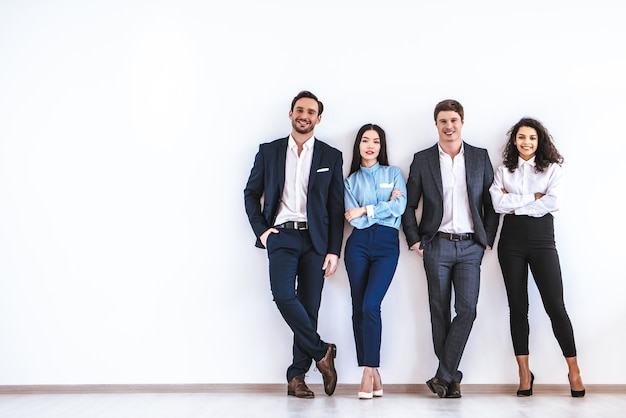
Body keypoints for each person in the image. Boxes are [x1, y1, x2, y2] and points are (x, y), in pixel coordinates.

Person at [244, 90, 344, 398]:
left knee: (309, 306)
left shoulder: (331, 156)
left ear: (318, 118)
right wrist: (262, 231)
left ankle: (297, 377)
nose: (304, 115)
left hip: (316, 241)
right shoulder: (269, 151)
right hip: (282, 236)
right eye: (299, 110)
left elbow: (335, 206)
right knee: (284, 296)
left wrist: (333, 250)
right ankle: (322, 351)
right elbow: (251, 193)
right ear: (291, 114)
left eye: (311, 112)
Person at [401, 99, 499, 398]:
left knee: (467, 310)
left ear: (462, 122)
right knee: (439, 312)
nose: (449, 126)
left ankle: (443, 375)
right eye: (443, 121)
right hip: (437, 245)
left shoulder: (480, 157)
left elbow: (492, 203)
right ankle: (451, 379)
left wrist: (486, 240)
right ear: (436, 124)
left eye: (454, 120)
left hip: (471, 246)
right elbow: (409, 204)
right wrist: (415, 240)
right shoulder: (423, 159)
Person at [489, 117, 585, 397]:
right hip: (511, 242)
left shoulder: (553, 169)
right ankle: (523, 372)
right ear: (514, 141)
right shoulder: (504, 169)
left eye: (532, 137)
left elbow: (553, 202)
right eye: (521, 137)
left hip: (543, 240)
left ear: (539, 140)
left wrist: (515, 204)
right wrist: (533, 198)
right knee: (518, 308)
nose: (526, 142)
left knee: (556, 305)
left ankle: (574, 370)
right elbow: (497, 203)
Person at [343, 124, 407, 399]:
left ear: (382, 147)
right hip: (357, 246)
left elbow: (401, 207)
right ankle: (373, 371)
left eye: (376, 141)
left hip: (386, 245)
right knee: (359, 308)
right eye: (365, 141)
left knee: (372, 305)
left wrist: (367, 208)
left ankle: (369, 369)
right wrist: (383, 207)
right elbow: (352, 218)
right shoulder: (350, 181)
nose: (371, 146)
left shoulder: (393, 173)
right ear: (358, 145)